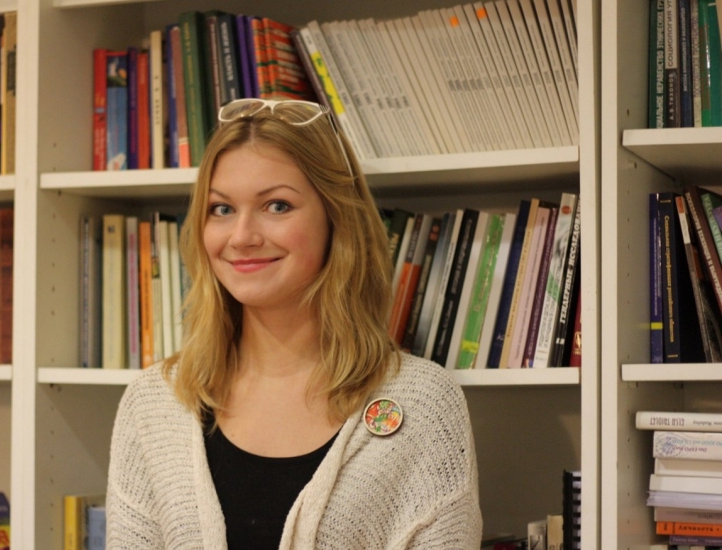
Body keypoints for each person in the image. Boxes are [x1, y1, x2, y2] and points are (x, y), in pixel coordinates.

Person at [106, 98, 482, 549]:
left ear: (336, 219)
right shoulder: (154, 404)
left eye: (277, 206)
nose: (242, 236)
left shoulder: (423, 404)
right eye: (221, 209)